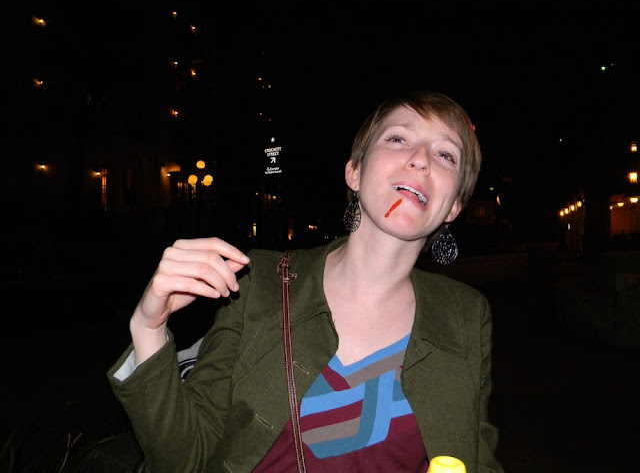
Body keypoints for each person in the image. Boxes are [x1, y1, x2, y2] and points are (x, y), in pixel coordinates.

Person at [108, 90, 504, 473]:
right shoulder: (261, 283)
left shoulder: (466, 315)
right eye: (398, 138)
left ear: (454, 206)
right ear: (354, 171)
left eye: (445, 154)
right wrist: (148, 327)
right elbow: (186, 460)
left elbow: (477, 458)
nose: (420, 160)